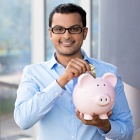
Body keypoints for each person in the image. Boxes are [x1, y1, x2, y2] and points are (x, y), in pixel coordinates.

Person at [14, 3, 134, 140]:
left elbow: (128, 131)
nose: (66, 35)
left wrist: (105, 125)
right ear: (50, 33)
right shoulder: (33, 73)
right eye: (59, 29)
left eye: (74, 29)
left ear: (85, 33)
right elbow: (22, 120)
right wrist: (61, 81)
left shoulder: (108, 72)